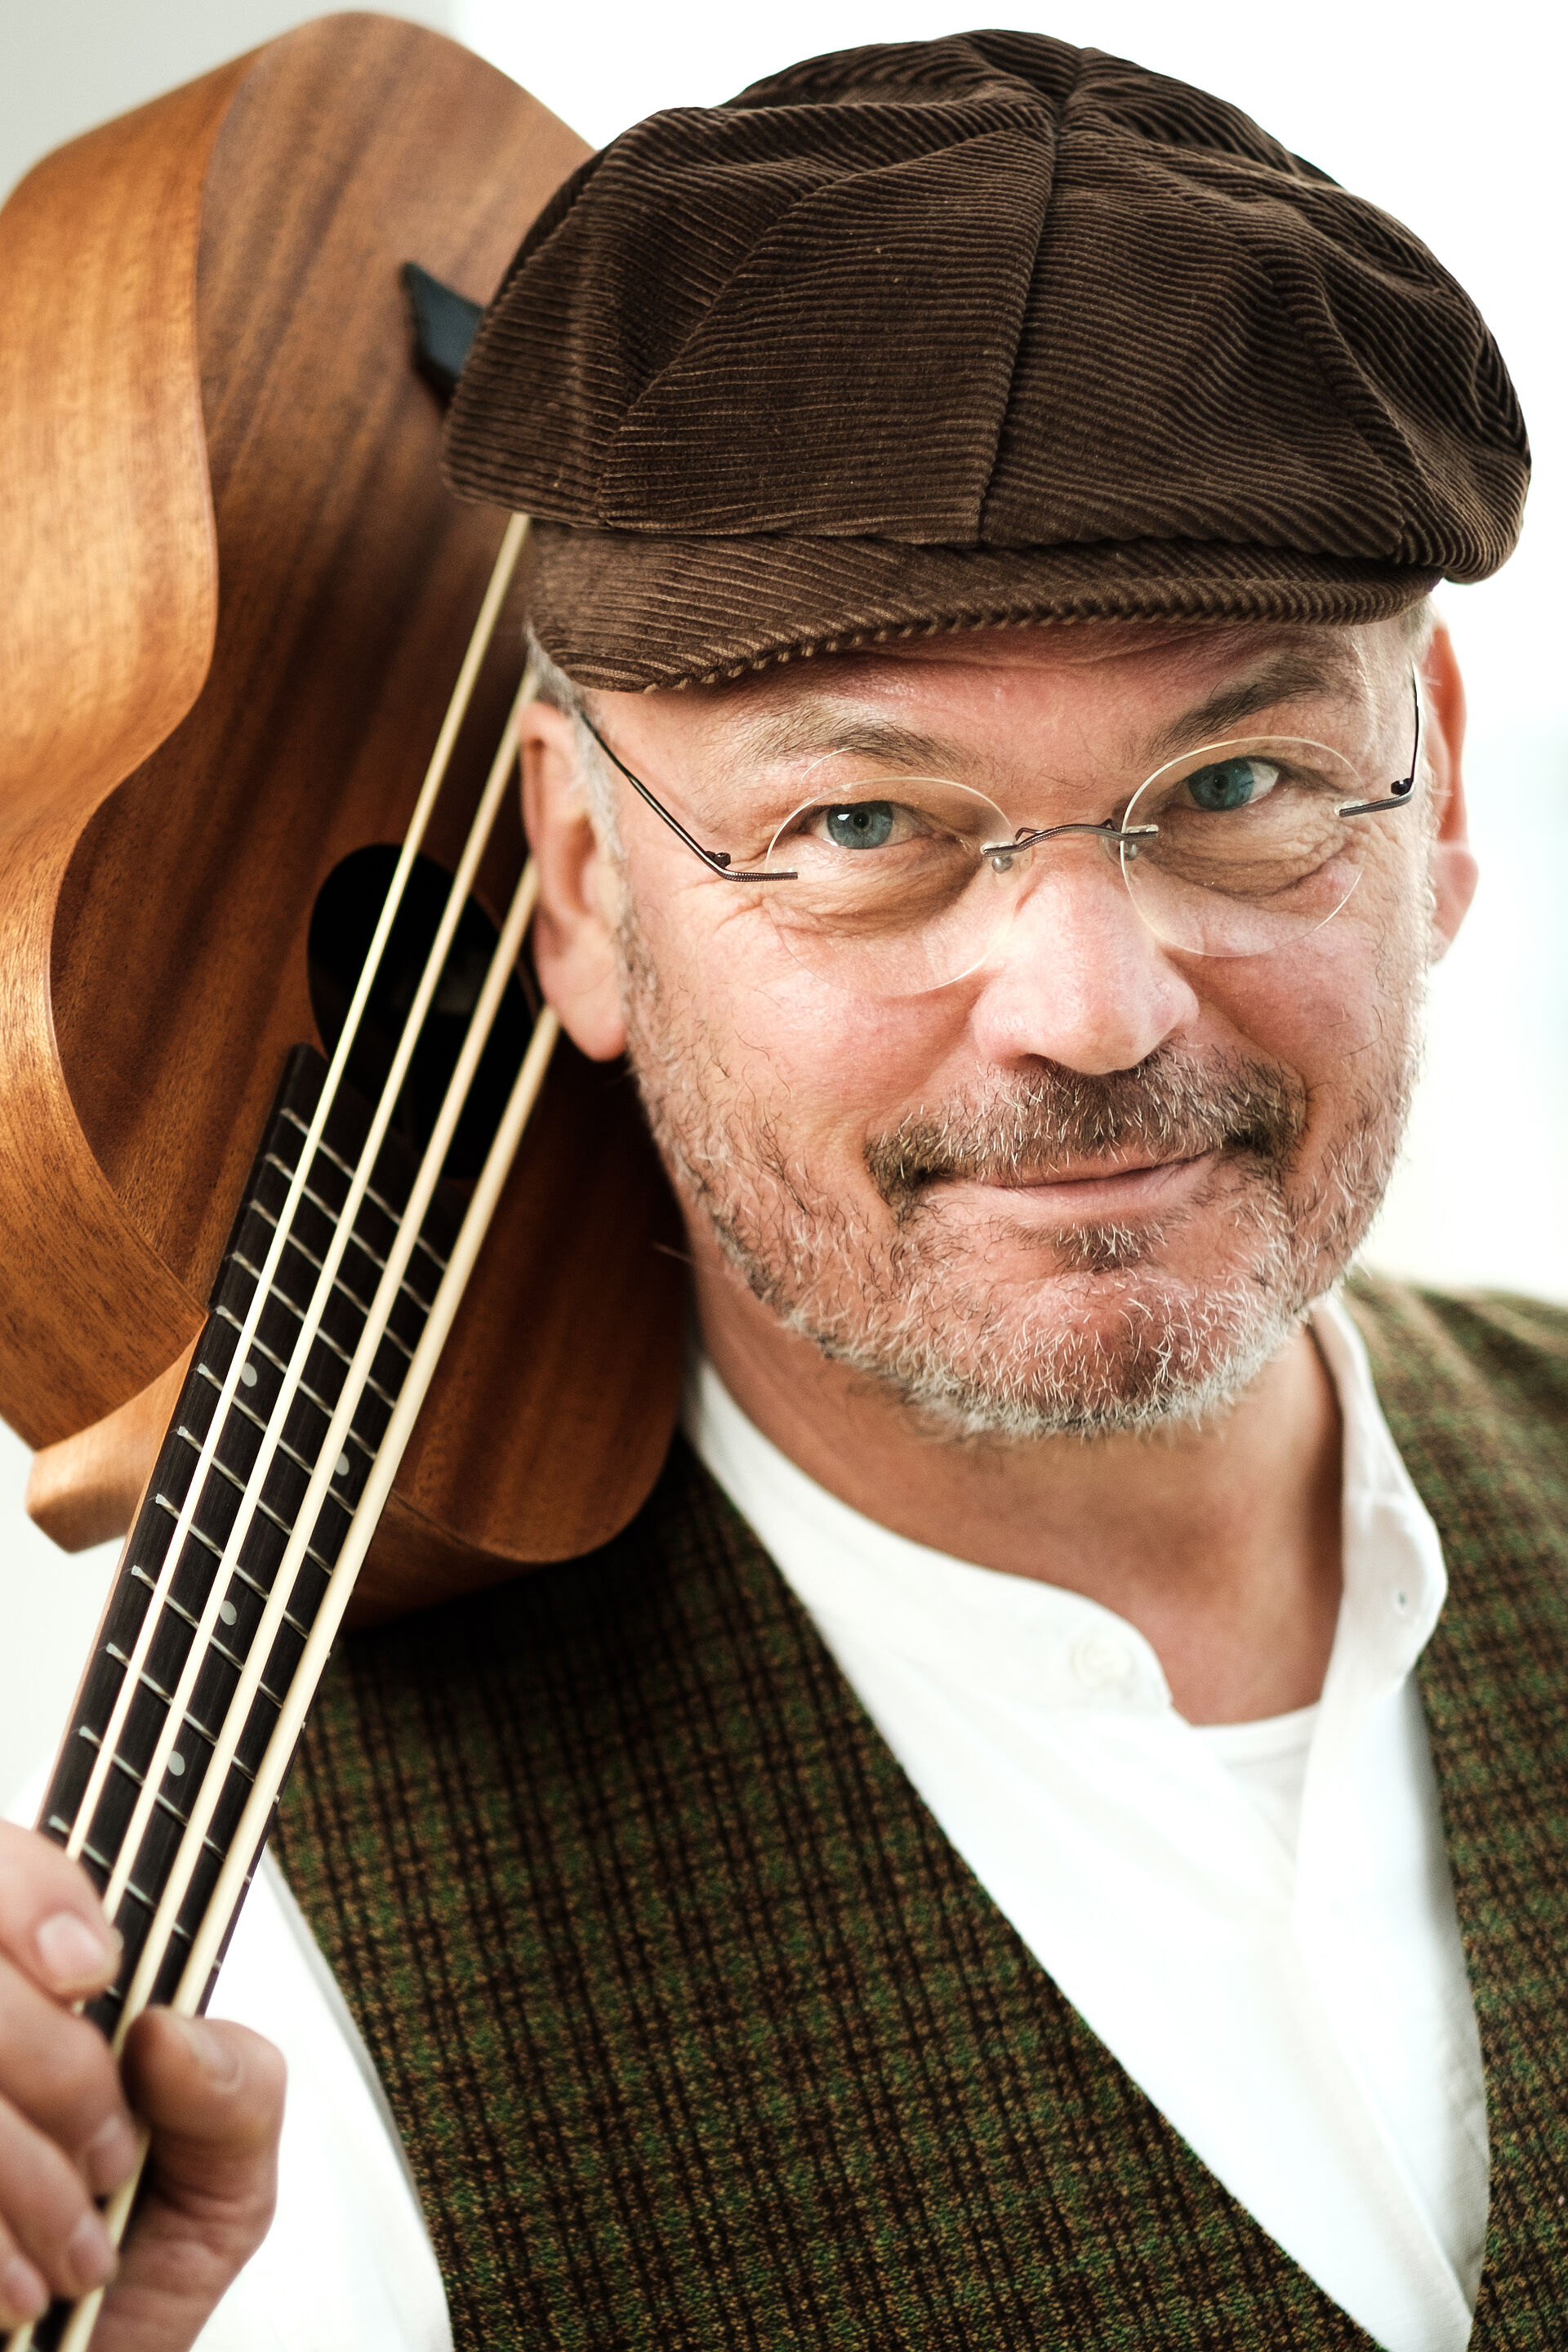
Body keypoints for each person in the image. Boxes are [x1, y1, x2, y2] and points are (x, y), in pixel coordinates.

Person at [0, 28, 1557, 2352]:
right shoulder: (182, 1947)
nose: (1095, 1005)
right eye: (860, 825)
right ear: (578, 882)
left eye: (1238, 775)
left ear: (1428, 798)